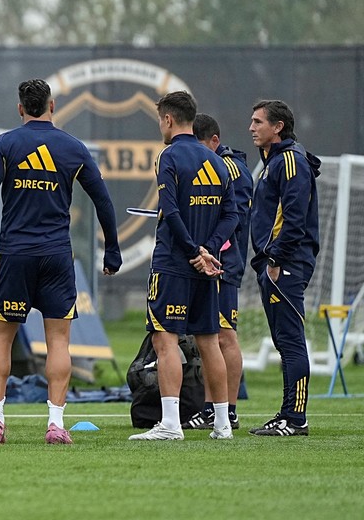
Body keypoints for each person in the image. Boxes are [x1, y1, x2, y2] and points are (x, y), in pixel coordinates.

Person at [0, 79, 122, 445]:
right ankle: (55, 423)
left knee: (1, 336)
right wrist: (112, 249)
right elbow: (103, 200)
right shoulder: (72, 147)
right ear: (52, 106)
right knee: (58, 340)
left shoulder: (6, 144)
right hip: (57, 256)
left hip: (15, 255)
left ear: (20, 109)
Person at [129, 91, 238, 441]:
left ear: (168, 119)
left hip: (174, 264)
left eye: (159, 120)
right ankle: (222, 424)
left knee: (165, 341)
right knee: (209, 342)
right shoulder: (217, 161)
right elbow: (232, 215)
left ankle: (171, 424)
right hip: (207, 267)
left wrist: (193, 250)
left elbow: (171, 210)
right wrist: (209, 250)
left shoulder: (169, 156)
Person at [247, 99, 320, 437]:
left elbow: (294, 218)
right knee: (282, 341)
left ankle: (296, 418)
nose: (251, 128)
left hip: (286, 263)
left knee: (291, 341)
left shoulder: (290, 161)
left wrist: (276, 259)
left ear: (278, 127)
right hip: (275, 262)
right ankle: (287, 413)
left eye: (258, 122)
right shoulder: (274, 162)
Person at [184, 113, 250, 431]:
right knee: (207, 335)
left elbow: (234, 217)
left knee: (224, 336)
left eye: (200, 147)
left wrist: (209, 246)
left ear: (214, 141)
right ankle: (211, 408)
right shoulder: (204, 164)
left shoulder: (230, 168)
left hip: (223, 261)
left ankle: (229, 410)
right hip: (205, 257)